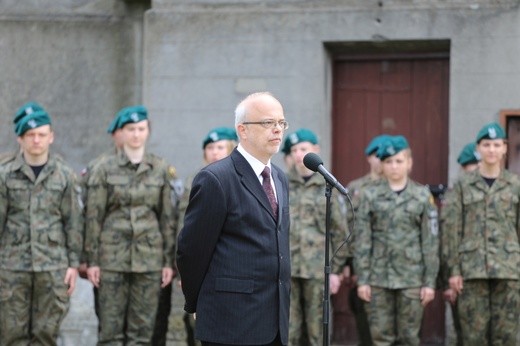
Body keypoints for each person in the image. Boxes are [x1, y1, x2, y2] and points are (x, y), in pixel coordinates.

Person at [176, 91, 291, 346]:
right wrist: (196, 302)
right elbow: (192, 251)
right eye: (267, 123)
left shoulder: (279, 178)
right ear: (243, 130)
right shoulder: (216, 179)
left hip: (274, 321)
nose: (277, 130)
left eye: (281, 123)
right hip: (230, 320)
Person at [85, 105, 176, 344]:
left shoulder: (160, 169)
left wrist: (168, 261)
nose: (136, 134)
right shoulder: (104, 168)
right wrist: (92, 261)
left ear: (147, 132)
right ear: (122, 133)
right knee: (110, 332)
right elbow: (94, 217)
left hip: (149, 260)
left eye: (140, 129)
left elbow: (167, 218)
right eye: (130, 129)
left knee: (142, 333)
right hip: (111, 259)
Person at [0, 105, 84, 345]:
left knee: (46, 336)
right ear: (20, 138)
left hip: (53, 266)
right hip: (11, 268)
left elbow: (73, 222)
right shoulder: (5, 175)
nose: (36, 140)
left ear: (51, 136)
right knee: (11, 336)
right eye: (30, 135)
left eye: (41, 134)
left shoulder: (65, 175)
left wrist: (73, 264)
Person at [354, 135, 439, 345]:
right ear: (381, 165)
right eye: (389, 161)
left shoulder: (422, 196)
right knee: (381, 338)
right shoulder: (369, 196)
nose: (394, 166)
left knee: (409, 338)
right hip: (378, 278)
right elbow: (362, 240)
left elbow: (430, 242)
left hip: (412, 278)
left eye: (399, 161)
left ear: (409, 163)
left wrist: (429, 282)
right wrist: (363, 278)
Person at [443, 122, 520, 345]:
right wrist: (454, 270)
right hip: (471, 271)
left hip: (508, 271)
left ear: (505, 147)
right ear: (479, 148)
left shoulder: (515, 185)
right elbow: (452, 229)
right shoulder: (463, 185)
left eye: (497, 145)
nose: (492, 150)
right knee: (473, 337)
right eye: (487, 145)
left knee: (507, 336)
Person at [167, 126, 238, 346]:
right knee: (190, 323)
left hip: (226, 266)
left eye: (220, 146)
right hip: (194, 263)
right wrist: (180, 266)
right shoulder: (195, 180)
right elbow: (181, 225)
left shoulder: (240, 180)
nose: (215, 152)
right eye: (210, 147)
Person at [283, 128, 348, 345]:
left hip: (318, 270)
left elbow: (340, 231)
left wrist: (336, 270)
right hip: (287, 268)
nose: (299, 154)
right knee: (288, 329)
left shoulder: (327, 184)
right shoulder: (281, 183)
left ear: (315, 150)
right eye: (294, 150)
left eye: (304, 148)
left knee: (317, 330)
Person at [345, 134, 389, 346]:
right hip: (361, 265)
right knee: (364, 324)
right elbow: (347, 227)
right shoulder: (355, 188)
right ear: (369, 158)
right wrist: (348, 265)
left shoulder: (398, 186)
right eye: (376, 156)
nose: (381, 161)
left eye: (385, 156)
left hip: (392, 266)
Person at [439, 141, 480, 346]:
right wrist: (448, 280)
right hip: (461, 277)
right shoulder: (455, 195)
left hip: (485, 274)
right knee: (462, 333)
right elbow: (447, 240)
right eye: (474, 169)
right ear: (464, 169)